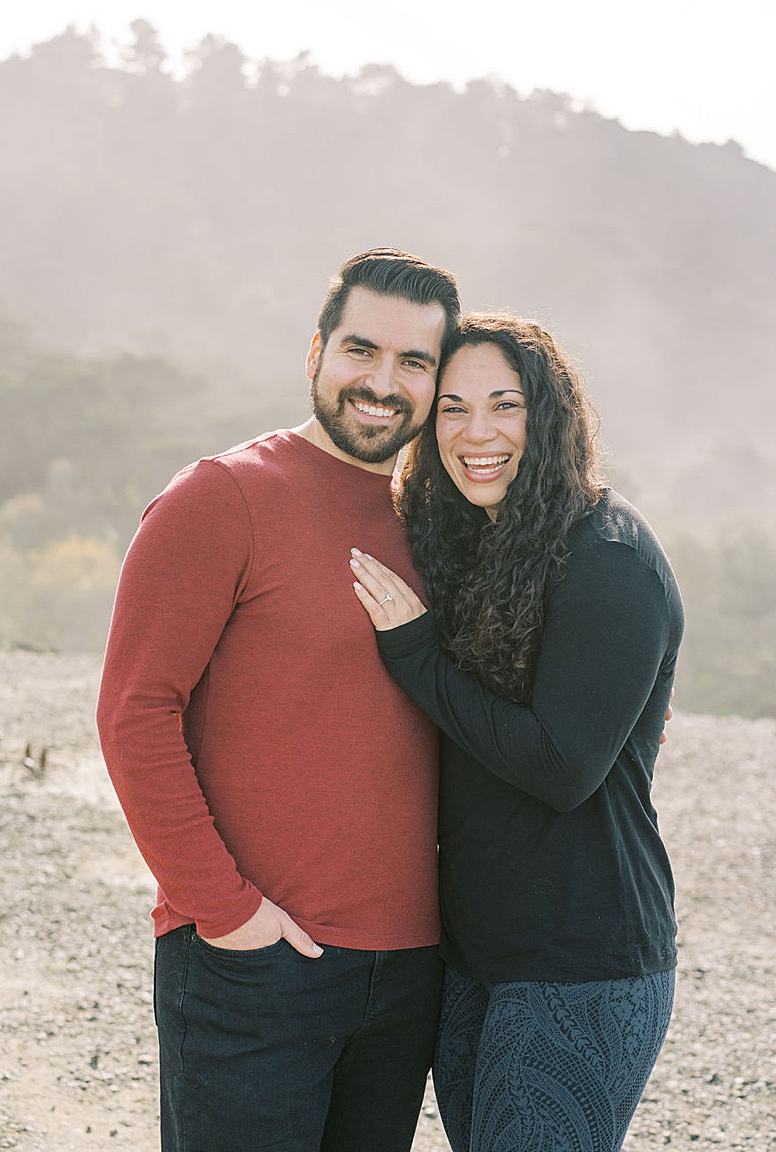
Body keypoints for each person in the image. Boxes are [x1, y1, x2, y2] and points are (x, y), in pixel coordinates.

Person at [97, 248, 461, 1151]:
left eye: (414, 362)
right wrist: (224, 911)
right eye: (361, 350)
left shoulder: (445, 523)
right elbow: (134, 714)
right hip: (254, 961)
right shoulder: (221, 498)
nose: (383, 382)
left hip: (413, 968)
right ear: (316, 352)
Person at [350, 314, 681, 1152]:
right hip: (476, 955)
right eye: (453, 410)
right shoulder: (489, 542)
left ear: (550, 415)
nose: (478, 433)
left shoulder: (607, 556)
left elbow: (561, 766)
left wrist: (417, 656)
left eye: (505, 406)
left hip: (580, 960)